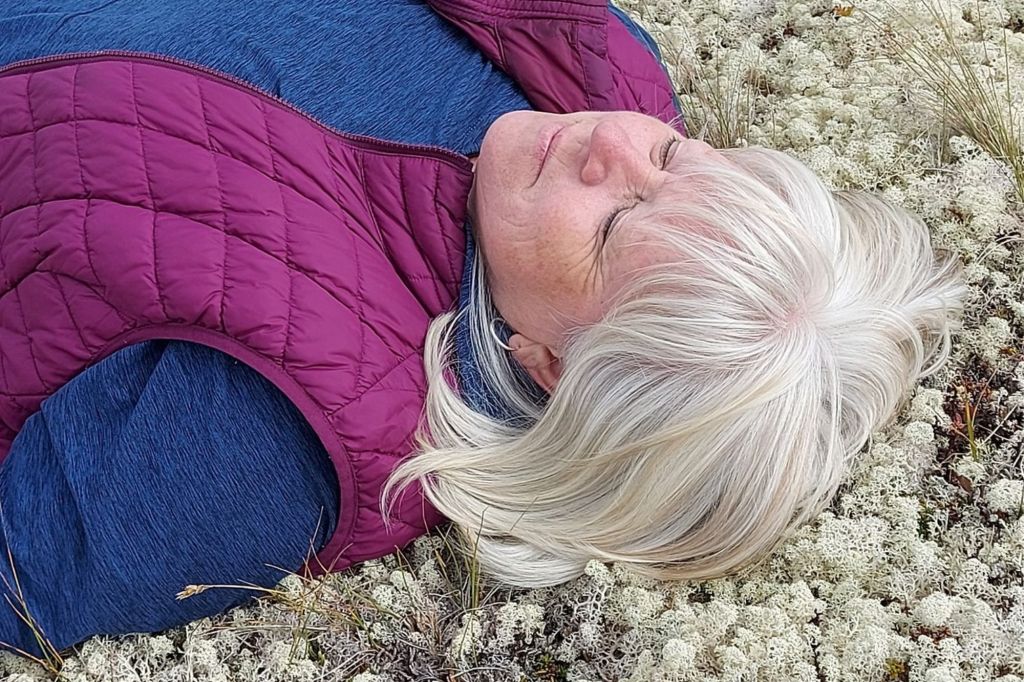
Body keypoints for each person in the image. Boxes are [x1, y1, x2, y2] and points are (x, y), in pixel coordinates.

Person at [0, 0, 967, 662]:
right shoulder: (595, 65)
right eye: (675, 156)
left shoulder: (272, 445)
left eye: (615, 228)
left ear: (549, 369)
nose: (614, 142)